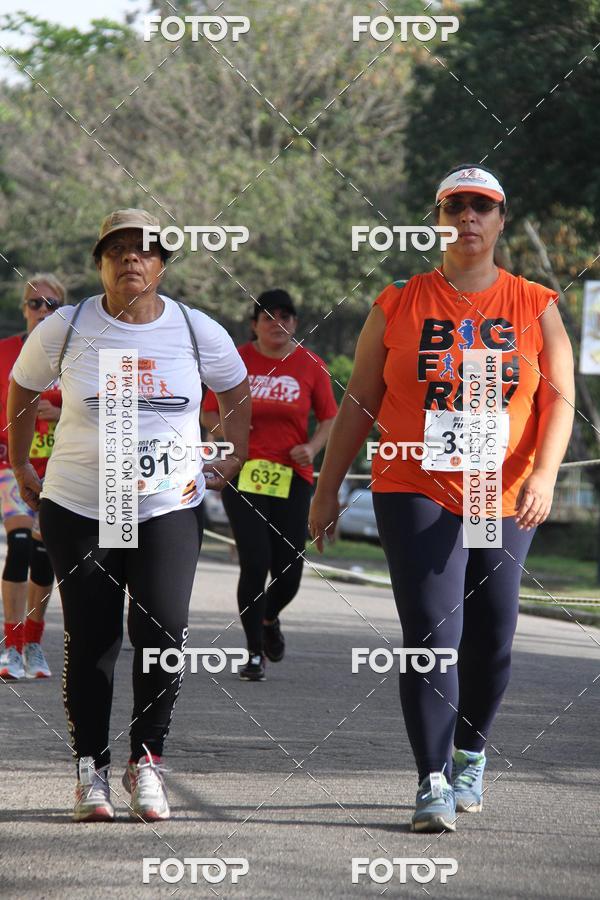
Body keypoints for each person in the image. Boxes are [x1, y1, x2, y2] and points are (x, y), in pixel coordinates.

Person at [309, 165, 574, 832]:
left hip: (501, 491)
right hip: (415, 484)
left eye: (481, 206)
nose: (468, 218)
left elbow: (559, 399)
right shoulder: (398, 299)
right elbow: (361, 400)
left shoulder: (535, 303)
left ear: (500, 219)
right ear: (438, 217)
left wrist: (544, 476)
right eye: (455, 206)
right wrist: (328, 486)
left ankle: (470, 754)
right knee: (431, 635)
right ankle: (430, 780)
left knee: (493, 636)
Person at [8, 209, 250, 823]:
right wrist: (23, 466)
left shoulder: (198, 331)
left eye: (143, 251)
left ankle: (148, 760)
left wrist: (231, 453)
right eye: (116, 251)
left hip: (166, 503)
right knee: (93, 639)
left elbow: (236, 391)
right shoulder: (65, 326)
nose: (130, 260)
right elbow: (22, 390)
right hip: (82, 503)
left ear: (163, 264)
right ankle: (92, 769)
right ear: (101, 265)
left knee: (163, 630)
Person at [202, 289, 337, 681]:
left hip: (292, 478)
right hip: (242, 472)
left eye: (286, 317)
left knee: (289, 568)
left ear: (295, 323)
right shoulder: (237, 361)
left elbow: (330, 417)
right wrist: (229, 434)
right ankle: (254, 653)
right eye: (268, 317)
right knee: (255, 561)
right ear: (254, 323)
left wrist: (311, 448)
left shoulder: (310, 364)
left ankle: (269, 618)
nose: (278, 324)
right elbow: (208, 409)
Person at [0, 274, 64, 681]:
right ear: (24, 309)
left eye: (52, 306)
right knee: (20, 545)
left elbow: (102, 406)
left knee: (45, 556)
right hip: (11, 463)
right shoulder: (6, 352)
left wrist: (63, 413)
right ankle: (11, 644)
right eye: (35, 304)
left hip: (60, 469)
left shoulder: (75, 354)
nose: (43, 312)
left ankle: (34, 643)